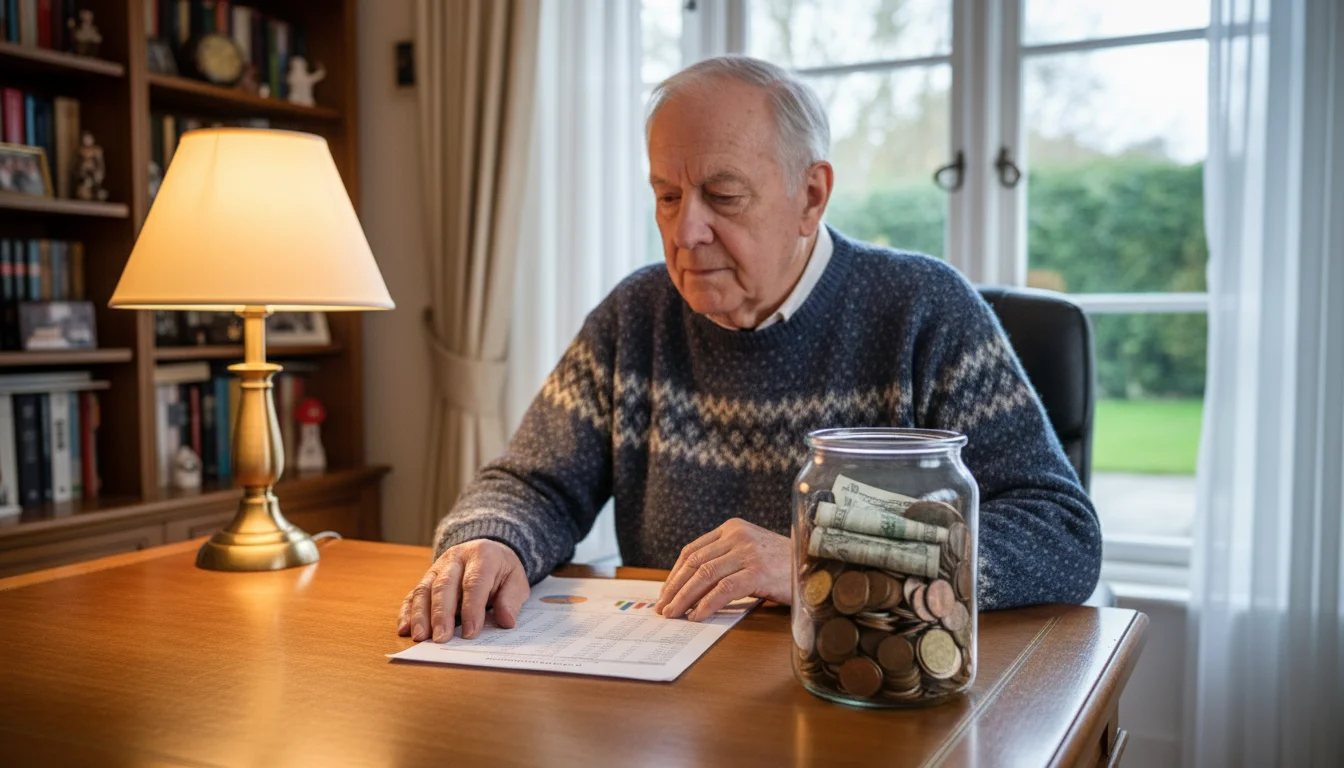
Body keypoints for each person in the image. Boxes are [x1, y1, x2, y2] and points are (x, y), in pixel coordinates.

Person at [398, 55, 1101, 645]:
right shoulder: (635, 314)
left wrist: (818, 555)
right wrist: (490, 540)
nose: (685, 231)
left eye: (722, 195)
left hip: (874, 684)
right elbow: (533, 482)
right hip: (675, 698)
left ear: (811, 196)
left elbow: (1061, 535)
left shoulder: (926, 311)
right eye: (667, 196)